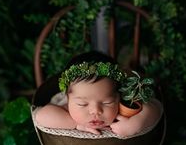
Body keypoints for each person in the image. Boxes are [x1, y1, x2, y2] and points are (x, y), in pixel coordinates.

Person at [35, 51, 163, 137]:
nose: (95, 111)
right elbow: (40, 115)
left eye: (107, 102)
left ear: (119, 96)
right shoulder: (66, 109)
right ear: (68, 99)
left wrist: (136, 124)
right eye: (82, 104)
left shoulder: (123, 107)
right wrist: (76, 124)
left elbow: (156, 107)